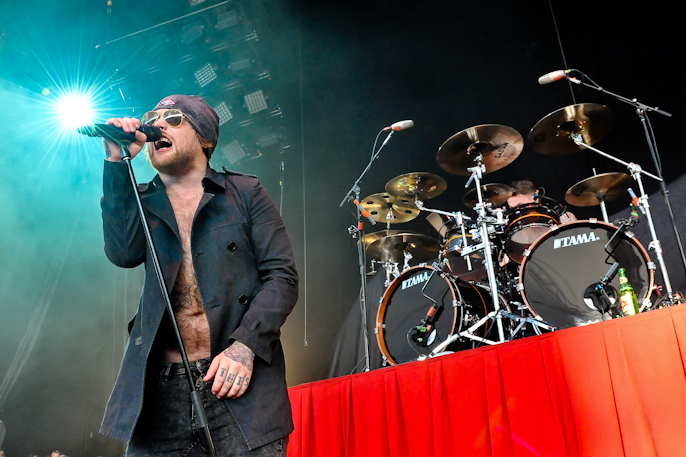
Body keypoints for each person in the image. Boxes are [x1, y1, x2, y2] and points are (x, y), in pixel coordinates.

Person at [98, 95, 298, 456]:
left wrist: (244, 348)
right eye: (151, 116)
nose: (157, 123)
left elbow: (282, 277)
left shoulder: (245, 192)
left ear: (205, 138)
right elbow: (122, 254)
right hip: (160, 393)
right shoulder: (140, 201)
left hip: (237, 385)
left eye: (173, 118)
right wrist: (115, 160)